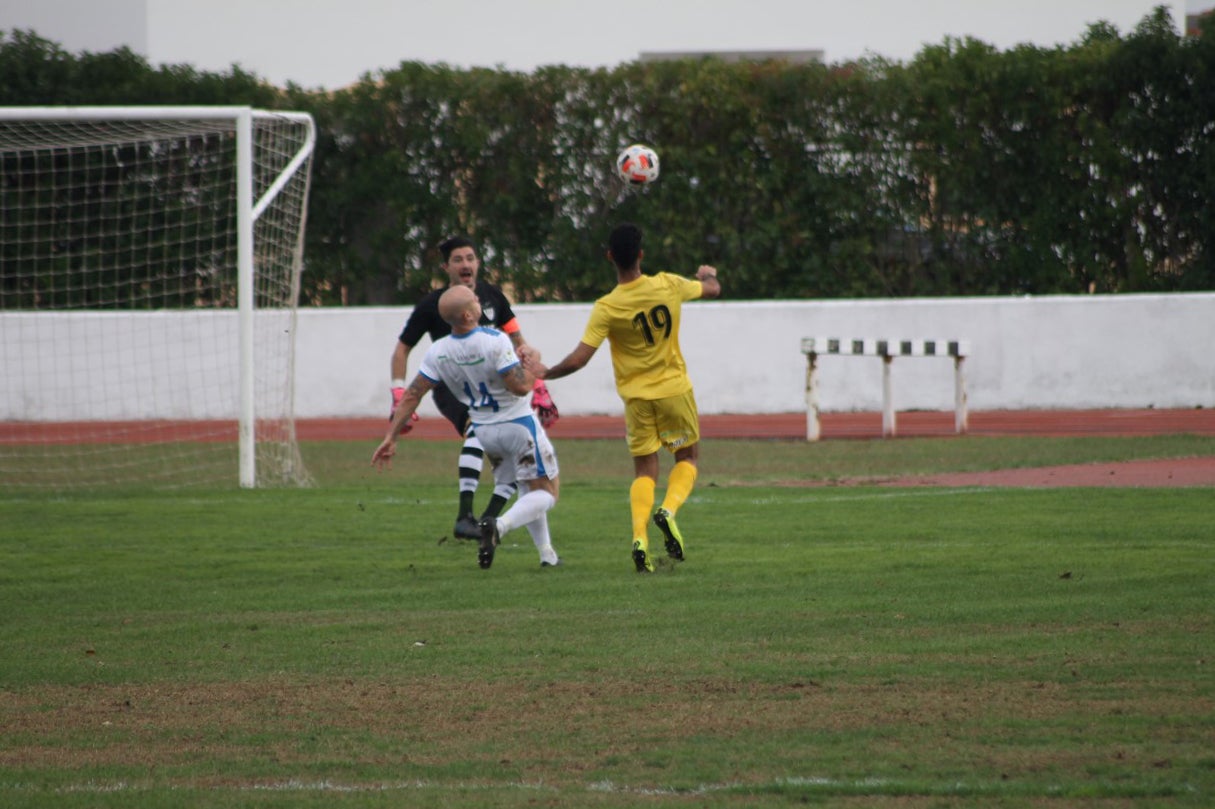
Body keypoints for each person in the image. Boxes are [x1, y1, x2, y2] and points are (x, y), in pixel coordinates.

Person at [528, 222, 720, 573]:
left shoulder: (607, 306)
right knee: (687, 457)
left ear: (610, 257)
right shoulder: (668, 284)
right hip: (675, 391)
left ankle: (639, 539)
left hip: (636, 400)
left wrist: (546, 372)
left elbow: (580, 359)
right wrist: (707, 275)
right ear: (641, 255)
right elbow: (712, 289)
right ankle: (668, 511)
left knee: (644, 470)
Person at [374, 285, 561, 570]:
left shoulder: (438, 351)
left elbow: (412, 394)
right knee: (547, 492)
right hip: (517, 425)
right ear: (468, 315)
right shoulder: (494, 340)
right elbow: (521, 386)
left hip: (484, 432)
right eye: (474, 300)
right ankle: (497, 526)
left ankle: (547, 555)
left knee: (528, 486)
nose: (478, 300)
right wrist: (533, 365)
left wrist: (391, 436)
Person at [390, 236, 558, 541]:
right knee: (476, 431)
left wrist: (538, 383)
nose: (465, 264)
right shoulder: (432, 305)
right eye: (458, 259)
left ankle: (489, 522)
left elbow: (518, 340)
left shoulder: (493, 297)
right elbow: (401, 349)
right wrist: (398, 391)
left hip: (496, 385)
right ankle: (465, 515)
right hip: (454, 387)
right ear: (446, 267)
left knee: (508, 461)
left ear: (478, 262)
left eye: (470, 257)